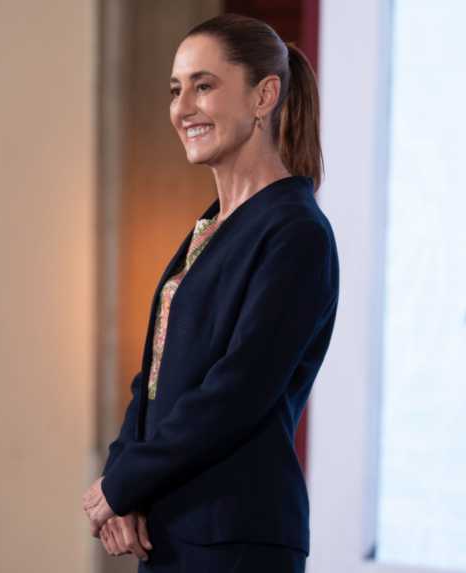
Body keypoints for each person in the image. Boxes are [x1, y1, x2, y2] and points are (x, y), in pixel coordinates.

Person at [83, 14, 339, 572]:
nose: (182, 108)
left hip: (233, 537)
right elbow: (154, 377)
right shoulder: (209, 228)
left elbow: (236, 390)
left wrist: (124, 483)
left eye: (203, 86)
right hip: (170, 531)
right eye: (176, 90)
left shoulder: (296, 231)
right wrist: (123, 481)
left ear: (264, 96)